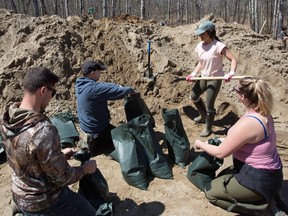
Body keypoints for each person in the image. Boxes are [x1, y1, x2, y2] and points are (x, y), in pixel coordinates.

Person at [0, 67, 97, 215]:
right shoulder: (43, 131)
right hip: (43, 202)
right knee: (89, 211)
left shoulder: (7, 119)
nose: (52, 98)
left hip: (19, 192)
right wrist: (85, 169)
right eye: (53, 93)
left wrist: (58, 155)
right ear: (43, 91)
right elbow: (63, 178)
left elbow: (26, 157)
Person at [194, 77, 283, 214]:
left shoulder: (248, 124)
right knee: (222, 177)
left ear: (242, 96)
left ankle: (260, 209)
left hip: (259, 179)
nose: (234, 91)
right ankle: (265, 198)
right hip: (273, 175)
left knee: (211, 192)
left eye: (236, 89)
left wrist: (200, 144)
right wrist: (224, 139)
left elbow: (221, 153)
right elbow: (245, 140)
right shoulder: (264, 112)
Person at [186, 20, 238, 137]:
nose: (199, 36)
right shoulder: (199, 46)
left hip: (215, 78)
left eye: (202, 33)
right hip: (203, 77)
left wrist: (231, 72)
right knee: (193, 97)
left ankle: (208, 128)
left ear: (210, 32)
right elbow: (201, 62)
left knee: (210, 105)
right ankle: (203, 116)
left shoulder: (218, 46)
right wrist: (194, 73)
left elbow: (233, 59)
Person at [75, 60, 135, 156]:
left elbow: (103, 86)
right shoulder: (94, 89)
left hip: (86, 126)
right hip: (98, 131)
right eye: (99, 71)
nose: (100, 74)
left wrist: (116, 85)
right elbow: (119, 93)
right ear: (92, 73)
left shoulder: (80, 85)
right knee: (128, 139)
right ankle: (98, 145)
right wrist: (130, 90)